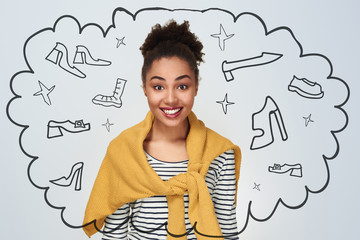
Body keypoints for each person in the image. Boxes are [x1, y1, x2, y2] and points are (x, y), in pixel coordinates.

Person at [83, 20, 241, 240]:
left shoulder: (220, 153)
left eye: (182, 86)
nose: (170, 98)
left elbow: (227, 231)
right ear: (144, 89)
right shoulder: (124, 151)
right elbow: (114, 235)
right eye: (158, 86)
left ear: (196, 87)